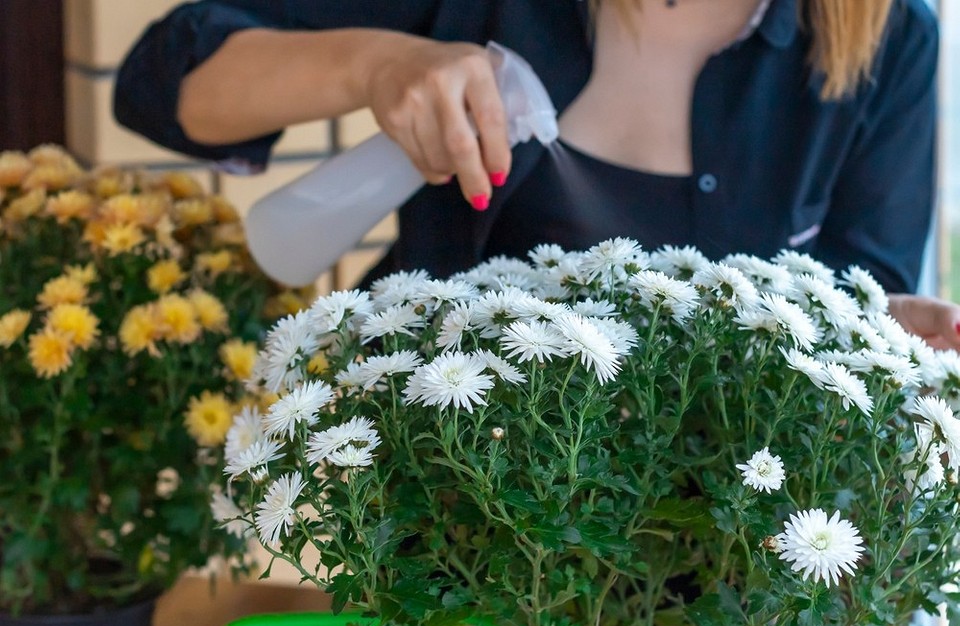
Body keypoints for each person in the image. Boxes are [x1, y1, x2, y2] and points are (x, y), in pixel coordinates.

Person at [113, 0, 960, 348]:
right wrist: (372, 64)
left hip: (732, 543)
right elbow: (165, 83)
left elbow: (862, 295)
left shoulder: (886, 36)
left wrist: (886, 329)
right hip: (453, 503)